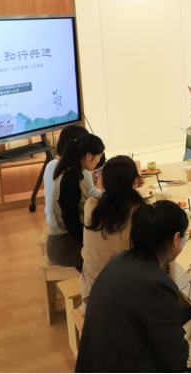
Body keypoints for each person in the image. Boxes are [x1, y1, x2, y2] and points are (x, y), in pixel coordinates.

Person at [76, 201, 191, 373]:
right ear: (176, 239)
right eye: (185, 236)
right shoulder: (155, 284)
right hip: (124, 364)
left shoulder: (119, 260)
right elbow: (184, 359)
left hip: (98, 360)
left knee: (186, 312)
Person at [80, 156, 146, 310]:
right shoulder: (140, 213)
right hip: (124, 304)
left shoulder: (90, 205)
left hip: (90, 296)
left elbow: (100, 194)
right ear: (135, 181)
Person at [48, 134, 105, 270]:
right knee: (112, 251)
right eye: (99, 156)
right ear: (89, 156)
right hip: (63, 247)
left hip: (69, 240)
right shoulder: (69, 181)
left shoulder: (73, 173)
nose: (99, 160)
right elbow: (72, 224)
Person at [44, 125, 101, 233]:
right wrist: (101, 181)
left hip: (53, 224)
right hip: (66, 230)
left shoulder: (50, 165)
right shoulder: (76, 172)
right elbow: (92, 199)